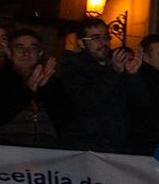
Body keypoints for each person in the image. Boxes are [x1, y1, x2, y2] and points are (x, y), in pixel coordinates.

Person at [54, 18, 147, 153]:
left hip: (118, 145)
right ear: (81, 43)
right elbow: (88, 101)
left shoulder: (117, 65)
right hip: (85, 146)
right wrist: (114, 73)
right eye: (95, 38)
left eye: (105, 37)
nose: (103, 43)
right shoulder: (74, 67)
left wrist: (132, 75)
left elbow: (140, 103)